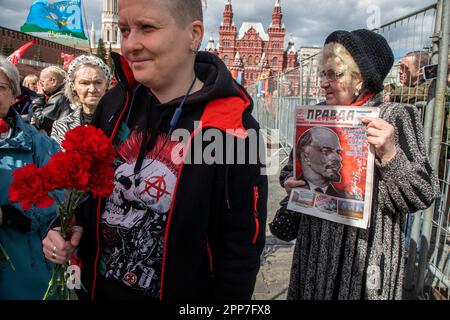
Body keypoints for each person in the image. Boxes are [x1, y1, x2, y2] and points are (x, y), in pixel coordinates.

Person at [42, 0, 267, 301]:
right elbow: (82, 190)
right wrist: (64, 227)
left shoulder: (236, 130)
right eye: (124, 30)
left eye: (146, 28)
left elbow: (241, 249)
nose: (130, 44)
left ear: (194, 35)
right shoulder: (113, 104)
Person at [279, 29, 439, 300]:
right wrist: (290, 182)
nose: (324, 84)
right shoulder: (317, 115)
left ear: (359, 78)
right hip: (314, 259)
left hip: (367, 262)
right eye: (323, 74)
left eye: (334, 75)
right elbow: (289, 169)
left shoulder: (395, 116)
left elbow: (424, 192)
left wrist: (390, 155)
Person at [0, 58, 60, 299]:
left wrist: (10, 215)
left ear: (14, 95)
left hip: (22, 263)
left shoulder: (37, 143)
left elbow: (59, 194)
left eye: (1, 87)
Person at [51, 55, 112, 146]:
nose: (92, 89)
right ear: (73, 86)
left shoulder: (119, 122)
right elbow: (57, 157)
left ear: (106, 85)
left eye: (98, 82)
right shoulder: (62, 126)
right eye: (84, 83)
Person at [295, 126, 344, 197]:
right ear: (306, 156)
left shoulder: (344, 195)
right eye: (326, 151)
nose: (339, 158)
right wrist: (288, 178)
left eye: (338, 152)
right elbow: (289, 169)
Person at [31, 66, 71, 135]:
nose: (40, 85)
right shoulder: (63, 94)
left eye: (42, 81)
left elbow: (41, 121)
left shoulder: (59, 97)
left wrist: (39, 97)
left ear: (53, 81)